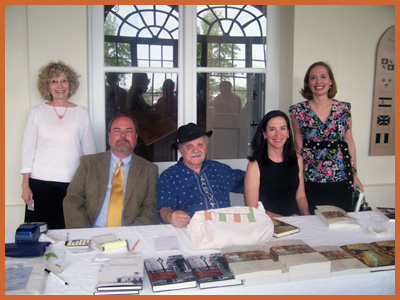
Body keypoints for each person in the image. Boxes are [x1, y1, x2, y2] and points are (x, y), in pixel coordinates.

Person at [20, 61, 96, 229]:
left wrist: (89, 187)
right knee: (40, 236)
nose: (59, 85)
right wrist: (25, 185)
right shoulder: (37, 112)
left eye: (63, 80)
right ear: (47, 86)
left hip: (72, 185)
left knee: (69, 235)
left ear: (71, 84)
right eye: (54, 81)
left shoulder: (81, 113)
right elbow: (28, 150)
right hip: (40, 185)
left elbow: (89, 155)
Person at [289, 61, 363, 213]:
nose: (318, 82)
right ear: (308, 83)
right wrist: (295, 177)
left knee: (341, 222)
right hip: (309, 176)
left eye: (323, 77)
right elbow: (298, 145)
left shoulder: (343, 109)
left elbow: (349, 142)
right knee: (312, 222)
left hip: (340, 176)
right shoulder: (298, 111)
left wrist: (355, 175)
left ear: (330, 81)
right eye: (313, 78)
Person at [63, 114, 160, 228]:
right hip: (92, 232)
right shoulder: (88, 164)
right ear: (109, 135)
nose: (123, 135)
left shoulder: (149, 169)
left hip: (130, 233)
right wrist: (85, 234)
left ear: (136, 136)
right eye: (117, 131)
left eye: (128, 131)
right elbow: (73, 200)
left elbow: (150, 208)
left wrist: (131, 233)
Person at [157, 123, 245, 228]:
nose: (196, 150)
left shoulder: (219, 169)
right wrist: (170, 217)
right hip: (192, 234)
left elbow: (249, 181)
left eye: (200, 145)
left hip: (227, 230)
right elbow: (164, 208)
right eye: (189, 146)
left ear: (206, 148)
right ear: (181, 150)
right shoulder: (169, 176)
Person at [245, 110, 309, 217]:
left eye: (282, 128)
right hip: (268, 222)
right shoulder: (254, 165)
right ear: (264, 134)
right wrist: (285, 220)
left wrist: (306, 215)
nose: (278, 134)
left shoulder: (297, 160)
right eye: (272, 129)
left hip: (296, 220)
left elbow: (300, 197)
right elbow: (252, 208)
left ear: (288, 133)